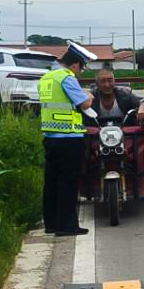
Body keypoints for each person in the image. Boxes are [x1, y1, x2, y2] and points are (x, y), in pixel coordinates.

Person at [38, 42, 98, 236]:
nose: (79, 73)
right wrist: (88, 94)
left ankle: (52, 223)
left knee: (52, 182)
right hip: (69, 138)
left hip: (49, 135)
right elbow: (84, 102)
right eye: (81, 68)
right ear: (75, 64)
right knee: (68, 183)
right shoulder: (66, 78)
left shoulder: (47, 77)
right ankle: (67, 226)